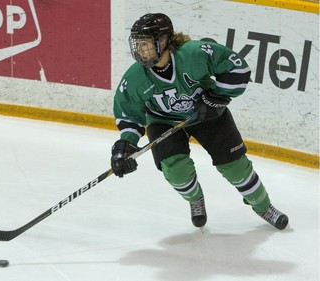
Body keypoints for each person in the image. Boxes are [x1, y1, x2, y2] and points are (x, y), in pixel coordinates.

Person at [110, 13, 289, 230]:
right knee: (176, 171)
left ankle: (264, 207)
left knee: (235, 168)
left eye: (147, 44)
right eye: (138, 44)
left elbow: (238, 69)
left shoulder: (193, 54)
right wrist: (125, 146)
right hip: (163, 120)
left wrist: (216, 98)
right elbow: (128, 113)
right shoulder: (135, 78)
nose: (141, 50)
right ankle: (196, 199)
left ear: (165, 41)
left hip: (208, 114)